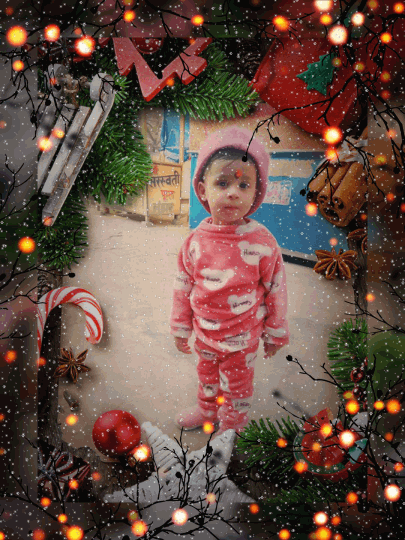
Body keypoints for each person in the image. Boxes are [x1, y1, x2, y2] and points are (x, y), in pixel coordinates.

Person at [170, 127, 289, 437]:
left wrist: (276, 330)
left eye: (243, 184)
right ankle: (207, 411)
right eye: (222, 183)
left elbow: (276, 288)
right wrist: (181, 327)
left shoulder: (262, 242)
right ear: (203, 190)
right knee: (207, 376)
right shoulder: (194, 242)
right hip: (205, 334)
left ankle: (233, 428)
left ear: (256, 192)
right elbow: (182, 288)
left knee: (237, 387)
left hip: (243, 338)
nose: (233, 192)